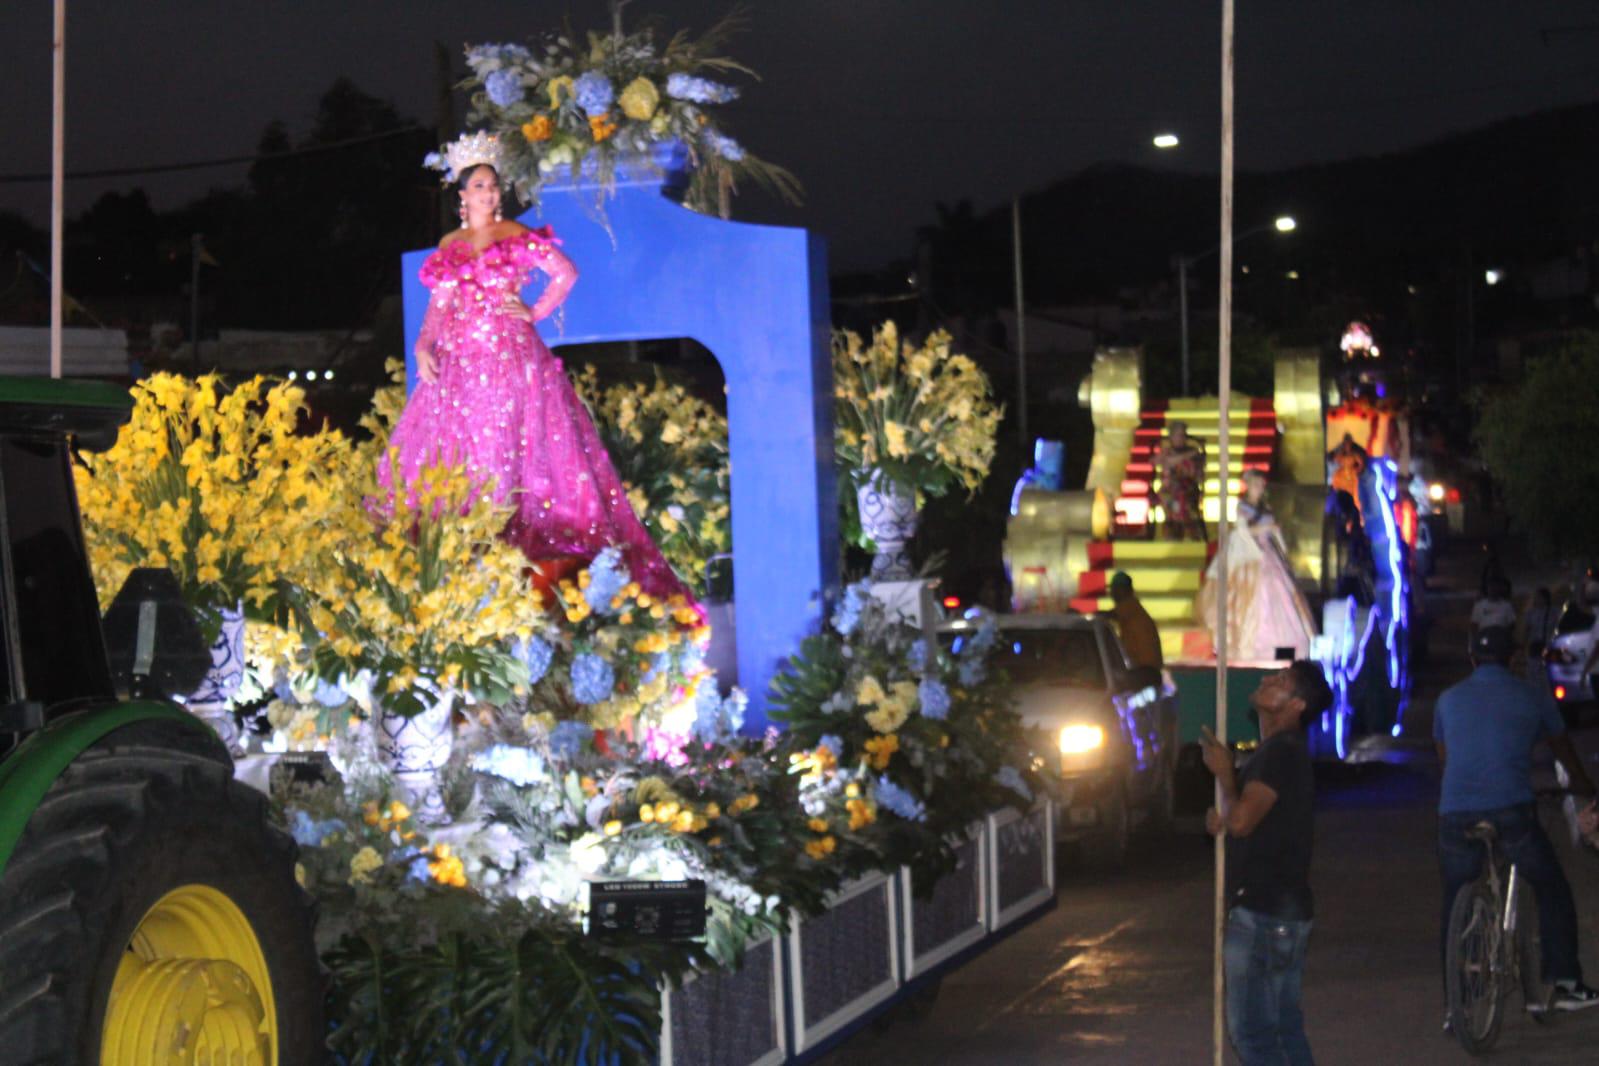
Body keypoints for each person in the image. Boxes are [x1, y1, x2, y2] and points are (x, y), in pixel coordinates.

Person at [380, 132, 689, 600]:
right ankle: (469, 546)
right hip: (460, 363)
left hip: (509, 358)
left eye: (492, 185)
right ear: (462, 195)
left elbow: (565, 272)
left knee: (508, 443)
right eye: (479, 186)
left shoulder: (514, 236)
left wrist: (535, 311)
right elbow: (438, 309)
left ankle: (507, 547)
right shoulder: (452, 243)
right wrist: (424, 346)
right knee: (461, 451)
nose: (489, 193)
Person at [1434, 625, 1599, 1016]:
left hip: (1455, 812)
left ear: (1471, 658)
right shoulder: (1533, 696)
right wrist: (1586, 791)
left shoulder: (1447, 700)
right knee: (1551, 885)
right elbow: (1564, 753)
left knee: (1455, 893)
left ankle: (1454, 1004)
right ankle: (1565, 981)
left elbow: (1447, 760)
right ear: (1513, 659)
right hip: (1511, 810)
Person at [1200, 660, 1333, 1066]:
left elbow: (1242, 822)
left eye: (1280, 681)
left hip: (1264, 913)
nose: (1266, 680)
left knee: (1254, 1035)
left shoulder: (1281, 752)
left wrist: (1225, 777)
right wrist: (1226, 810)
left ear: (1296, 705)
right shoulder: (1280, 752)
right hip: (1282, 909)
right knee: (1282, 1027)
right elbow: (1246, 817)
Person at [1197, 470, 1318, 662]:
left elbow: (1273, 530)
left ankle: (1284, 642)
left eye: (1262, 485)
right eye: (1256, 485)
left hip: (1267, 551)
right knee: (1254, 592)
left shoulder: (1266, 508)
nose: (1260, 489)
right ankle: (1254, 645)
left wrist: (1280, 544)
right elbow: (1242, 529)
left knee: (1279, 590)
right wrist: (1267, 528)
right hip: (1248, 552)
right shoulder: (1242, 507)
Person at [1154, 420, 1206, 542]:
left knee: (1181, 496)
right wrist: (1186, 456)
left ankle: (1185, 533)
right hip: (1169, 489)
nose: (1181, 438)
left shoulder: (1193, 450)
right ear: (1171, 437)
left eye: (1183, 435)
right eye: (1178, 435)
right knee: (1169, 496)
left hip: (1188, 487)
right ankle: (1173, 532)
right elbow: (1158, 461)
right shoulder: (1168, 451)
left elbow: (1198, 471)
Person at [1108, 571, 1162, 688]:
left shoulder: (1129, 606)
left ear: (1125, 590)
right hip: (1148, 672)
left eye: (1115, 590)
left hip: (1145, 672)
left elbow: (1108, 616)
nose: (1111, 594)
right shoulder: (1133, 608)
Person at [1468, 575, 1515, 646]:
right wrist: (1476, 639)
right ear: (1487, 588)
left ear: (1499, 588)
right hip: (1484, 638)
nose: (1493, 589)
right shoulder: (1479, 605)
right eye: (1491, 586)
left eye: (1495, 586)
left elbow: (1512, 624)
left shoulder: (1507, 606)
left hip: (1500, 638)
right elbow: (1474, 624)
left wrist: (1505, 636)